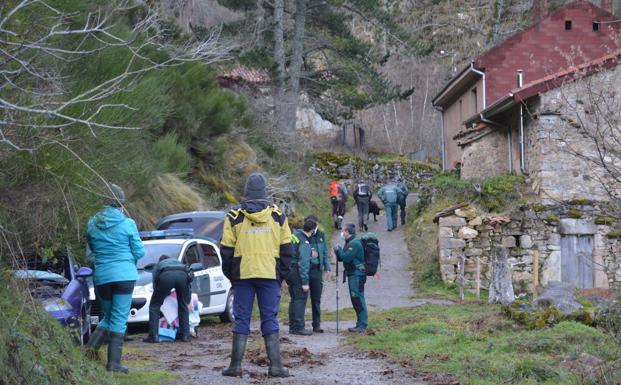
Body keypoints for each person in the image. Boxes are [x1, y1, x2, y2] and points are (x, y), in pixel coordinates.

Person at [220, 173, 293, 378]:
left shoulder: (233, 216)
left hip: (243, 276)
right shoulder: (278, 215)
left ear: (246, 190)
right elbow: (287, 250)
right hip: (269, 274)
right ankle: (276, 366)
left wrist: (233, 276)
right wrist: (280, 276)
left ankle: (235, 366)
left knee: (241, 318)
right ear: (265, 191)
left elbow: (226, 251)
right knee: (269, 318)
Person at [85, 183, 145, 373]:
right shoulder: (128, 223)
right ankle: (114, 364)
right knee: (118, 319)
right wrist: (127, 260)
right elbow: (140, 251)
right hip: (124, 276)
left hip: (102, 276)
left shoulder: (92, 223)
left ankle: (87, 353)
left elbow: (90, 254)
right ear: (120, 203)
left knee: (109, 317)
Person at [143, 255, 192, 343]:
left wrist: (162, 296)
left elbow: (156, 284)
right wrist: (187, 301)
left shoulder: (158, 265)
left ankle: (153, 336)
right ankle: (185, 335)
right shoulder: (178, 263)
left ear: (160, 261)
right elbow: (189, 285)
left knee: (154, 306)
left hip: (166, 276)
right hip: (183, 275)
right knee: (183, 305)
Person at [334, 223, 367, 333]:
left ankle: (362, 324)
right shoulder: (349, 242)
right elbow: (342, 258)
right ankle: (359, 323)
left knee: (357, 298)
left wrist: (339, 250)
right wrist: (338, 252)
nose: (342, 233)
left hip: (357, 275)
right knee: (355, 299)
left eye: (343, 231)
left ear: (347, 232)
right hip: (352, 274)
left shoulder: (354, 244)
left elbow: (346, 258)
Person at [287, 218, 315, 336]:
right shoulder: (304, 242)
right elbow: (303, 263)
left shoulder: (295, 235)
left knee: (294, 299)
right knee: (300, 298)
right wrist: (305, 282)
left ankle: (292, 326)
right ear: (312, 230)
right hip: (297, 272)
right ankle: (299, 327)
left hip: (289, 270)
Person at [307, 215, 330, 333]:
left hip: (317, 270)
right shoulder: (302, 235)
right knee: (300, 298)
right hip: (305, 269)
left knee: (316, 299)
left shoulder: (321, 235)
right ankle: (297, 324)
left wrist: (327, 268)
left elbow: (325, 252)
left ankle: (316, 324)